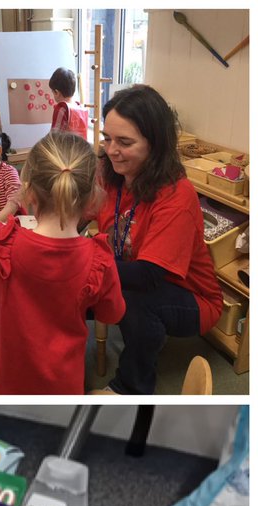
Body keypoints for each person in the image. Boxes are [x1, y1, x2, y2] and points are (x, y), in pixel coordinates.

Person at [0, 132, 125, 394]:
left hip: (8, 378)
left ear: (29, 194)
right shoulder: (99, 259)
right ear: (91, 198)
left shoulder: (4, 244)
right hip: (64, 382)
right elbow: (112, 314)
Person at [91, 85, 223, 394]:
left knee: (134, 297)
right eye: (108, 138)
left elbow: (149, 275)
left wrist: (82, 261)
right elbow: (72, 206)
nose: (111, 150)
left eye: (125, 142)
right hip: (135, 274)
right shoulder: (112, 174)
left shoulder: (176, 196)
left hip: (192, 297)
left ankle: (130, 387)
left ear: (155, 145)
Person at [48, 68, 90, 139]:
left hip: (65, 149)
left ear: (57, 93)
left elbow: (54, 136)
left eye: (52, 92)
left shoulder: (62, 108)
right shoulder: (82, 108)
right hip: (81, 148)